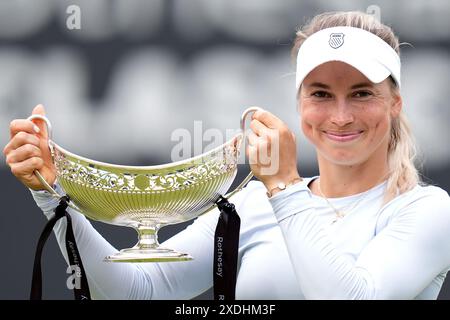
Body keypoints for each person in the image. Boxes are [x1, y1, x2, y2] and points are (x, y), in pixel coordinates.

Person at [4, 11, 450, 300]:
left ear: (395, 103)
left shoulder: (428, 211)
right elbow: (138, 292)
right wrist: (52, 193)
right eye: (320, 93)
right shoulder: (255, 203)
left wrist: (284, 185)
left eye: (361, 93)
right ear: (300, 104)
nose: (340, 115)